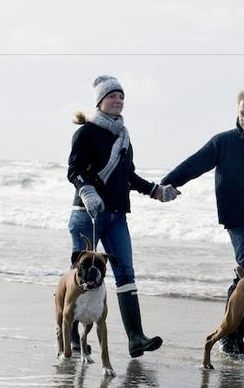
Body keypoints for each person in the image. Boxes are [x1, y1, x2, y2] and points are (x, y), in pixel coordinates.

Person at [161, 89, 244, 356]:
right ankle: (227, 337)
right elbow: (195, 163)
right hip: (237, 216)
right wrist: (167, 183)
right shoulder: (223, 142)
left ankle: (234, 338)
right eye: (242, 113)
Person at [66, 75, 179, 358]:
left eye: (121, 97)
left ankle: (136, 338)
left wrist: (156, 191)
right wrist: (88, 192)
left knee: (125, 273)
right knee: (81, 275)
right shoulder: (86, 133)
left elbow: (127, 176)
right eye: (112, 96)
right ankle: (73, 337)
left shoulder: (124, 136)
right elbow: (74, 170)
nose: (118, 101)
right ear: (100, 101)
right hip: (87, 214)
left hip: (118, 217)